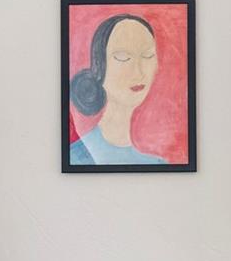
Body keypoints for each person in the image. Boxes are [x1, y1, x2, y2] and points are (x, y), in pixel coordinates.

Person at [68, 13, 166, 165]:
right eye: (123, 57)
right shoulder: (76, 156)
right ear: (99, 67)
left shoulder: (159, 163)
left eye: (148, 56)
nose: (138, 72)